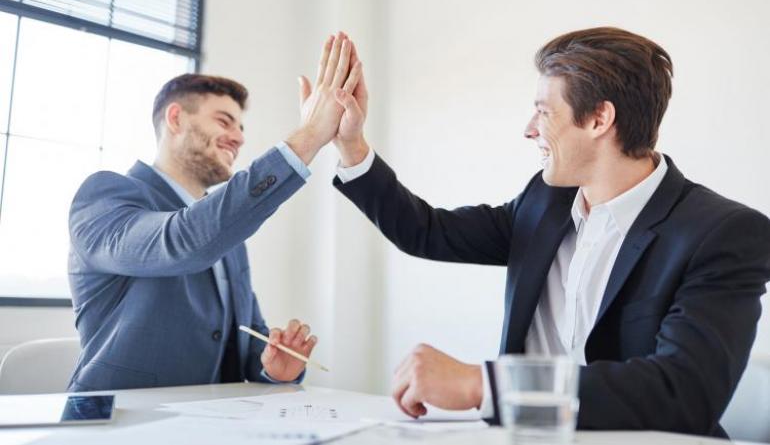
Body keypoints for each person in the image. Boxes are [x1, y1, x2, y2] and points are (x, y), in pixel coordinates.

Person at [329, 27, 770, 437]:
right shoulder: (546, 201)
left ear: (599, 119)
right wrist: (351, 144)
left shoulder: (723, 234)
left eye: (543, 111)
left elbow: (683, 394)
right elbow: (427, 232)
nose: (529, 129)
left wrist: (485, 385)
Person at [68, 32, 362, 391]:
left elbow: (246, 344)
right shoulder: (105, 196)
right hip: (118, 425)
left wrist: (274, 366)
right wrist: (309, 136)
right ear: (175, 118)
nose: (238, 137)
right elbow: (182, 241)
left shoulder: (230, 234)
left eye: (240, 127)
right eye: (224, 121)